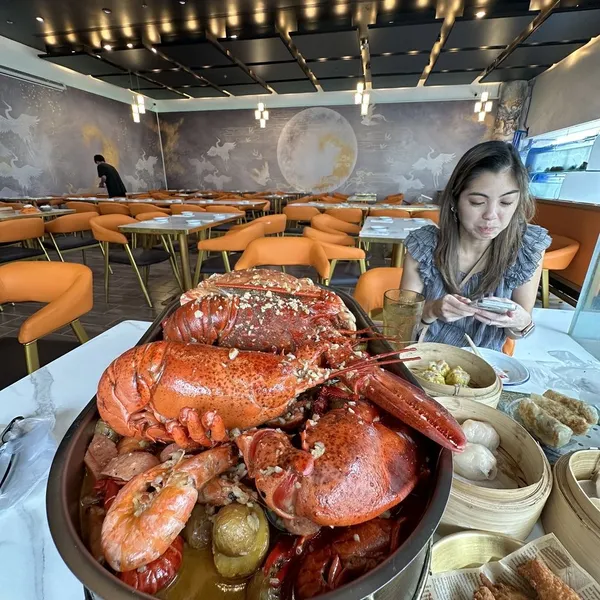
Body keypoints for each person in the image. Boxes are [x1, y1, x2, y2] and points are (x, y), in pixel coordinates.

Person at [400, 140, 551, 352]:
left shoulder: (525, 249)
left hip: (485, 369)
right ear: (454, 200)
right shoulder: (424, 247)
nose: (491, 215)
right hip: (423, 361)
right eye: (477, 202)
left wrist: (519, 322)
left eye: (506, 203)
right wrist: (432, 310)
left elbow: (518, 329)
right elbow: (402, 326)